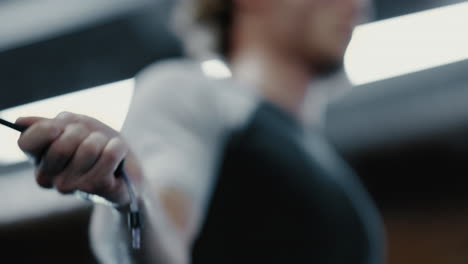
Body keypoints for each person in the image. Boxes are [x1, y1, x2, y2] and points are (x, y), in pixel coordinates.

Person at [16, 0, 383, 263]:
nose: (357, 5)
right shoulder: (191, 94)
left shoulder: (325, 165)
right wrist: (129, 198)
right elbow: (163, 241)